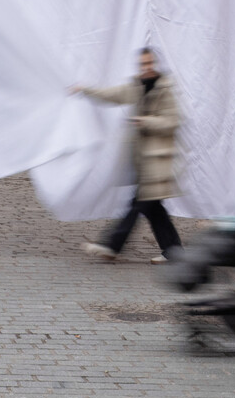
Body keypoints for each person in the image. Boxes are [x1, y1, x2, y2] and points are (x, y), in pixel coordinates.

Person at [71, 48, 182, 263]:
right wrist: (84, 90)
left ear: (155, 63)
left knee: (138, 205)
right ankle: (174, 252)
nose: (146, 67)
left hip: (159, 162)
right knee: (154, 209)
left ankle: (112, 246)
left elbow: (173, 121)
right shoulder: (136, 86)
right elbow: (112, 95)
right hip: (145, 162)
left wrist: (146, 121)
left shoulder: (165, 88)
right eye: (143, 64)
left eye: (149, 63)